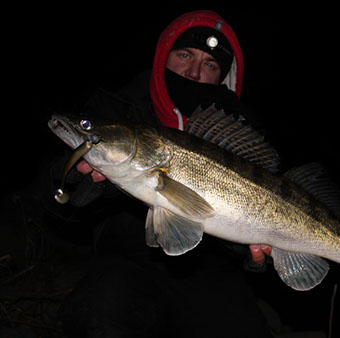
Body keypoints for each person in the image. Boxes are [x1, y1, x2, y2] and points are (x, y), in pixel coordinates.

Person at [43, 10, 274, 337]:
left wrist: (255, 256)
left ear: (222, 78)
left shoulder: (238, 131)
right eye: (184, 55)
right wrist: (84, 187)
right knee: (96, 315)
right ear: (162, 58)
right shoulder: (117, 111)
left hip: (209, 274)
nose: (194, 72)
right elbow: (53, 209)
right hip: (127, 264)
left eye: (210, 65)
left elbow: (234, 220)